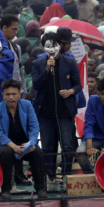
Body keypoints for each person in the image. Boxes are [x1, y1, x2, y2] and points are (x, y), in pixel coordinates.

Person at [31, 31, 81, 187]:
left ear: (60, 46)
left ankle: (66, 175)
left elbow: (78, 84)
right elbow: (36, 85)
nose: (52, 49)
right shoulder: (37, 64)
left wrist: (71, 91)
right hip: (45, 113)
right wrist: (46, 69)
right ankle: (49, 176)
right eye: (48, 46)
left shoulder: (70, 62)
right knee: (47, 147)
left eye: (55, 45)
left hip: (65, 113)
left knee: (67, 145)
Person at [0, 79, 46, 199]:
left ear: (19, 95)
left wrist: (31, 143)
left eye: (14, 94)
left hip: (25, 143)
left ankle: (40, 188)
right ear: (3, 95)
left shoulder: (27, 105)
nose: (11, 97)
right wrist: (13, 146)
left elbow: (34, 126)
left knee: (36, 152)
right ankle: (6, 189)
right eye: (8, 94)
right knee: (5, 153)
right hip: (6, 144)